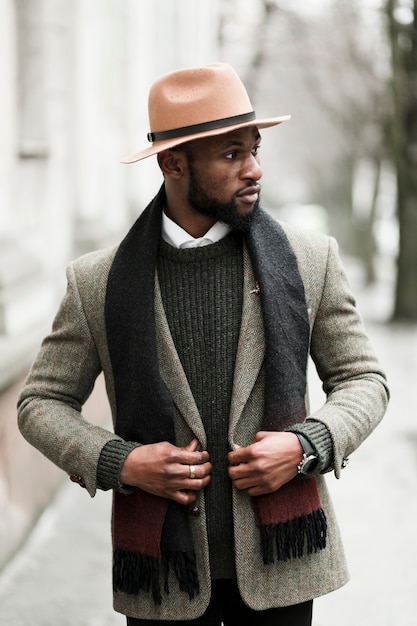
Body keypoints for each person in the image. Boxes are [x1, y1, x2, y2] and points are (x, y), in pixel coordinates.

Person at [17, 63, 389, 626]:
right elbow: (39, 403)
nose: (255, 169)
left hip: (283, 570)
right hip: (163, 579)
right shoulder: (96, 282)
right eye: (232, 154)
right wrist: (123, 462)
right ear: (173, 164)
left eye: (255, 149)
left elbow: (365, 380)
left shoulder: (311, 261)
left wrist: (307, 445)